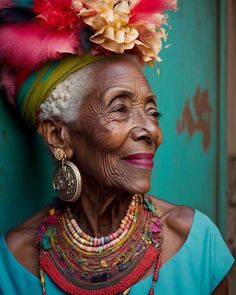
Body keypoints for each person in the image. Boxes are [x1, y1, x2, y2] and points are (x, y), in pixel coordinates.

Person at [0, 0, 234, 294]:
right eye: (120, 108)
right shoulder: (11, 264)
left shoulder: (197, 245)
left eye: (152, 112)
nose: (152, 131)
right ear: (58, 136)